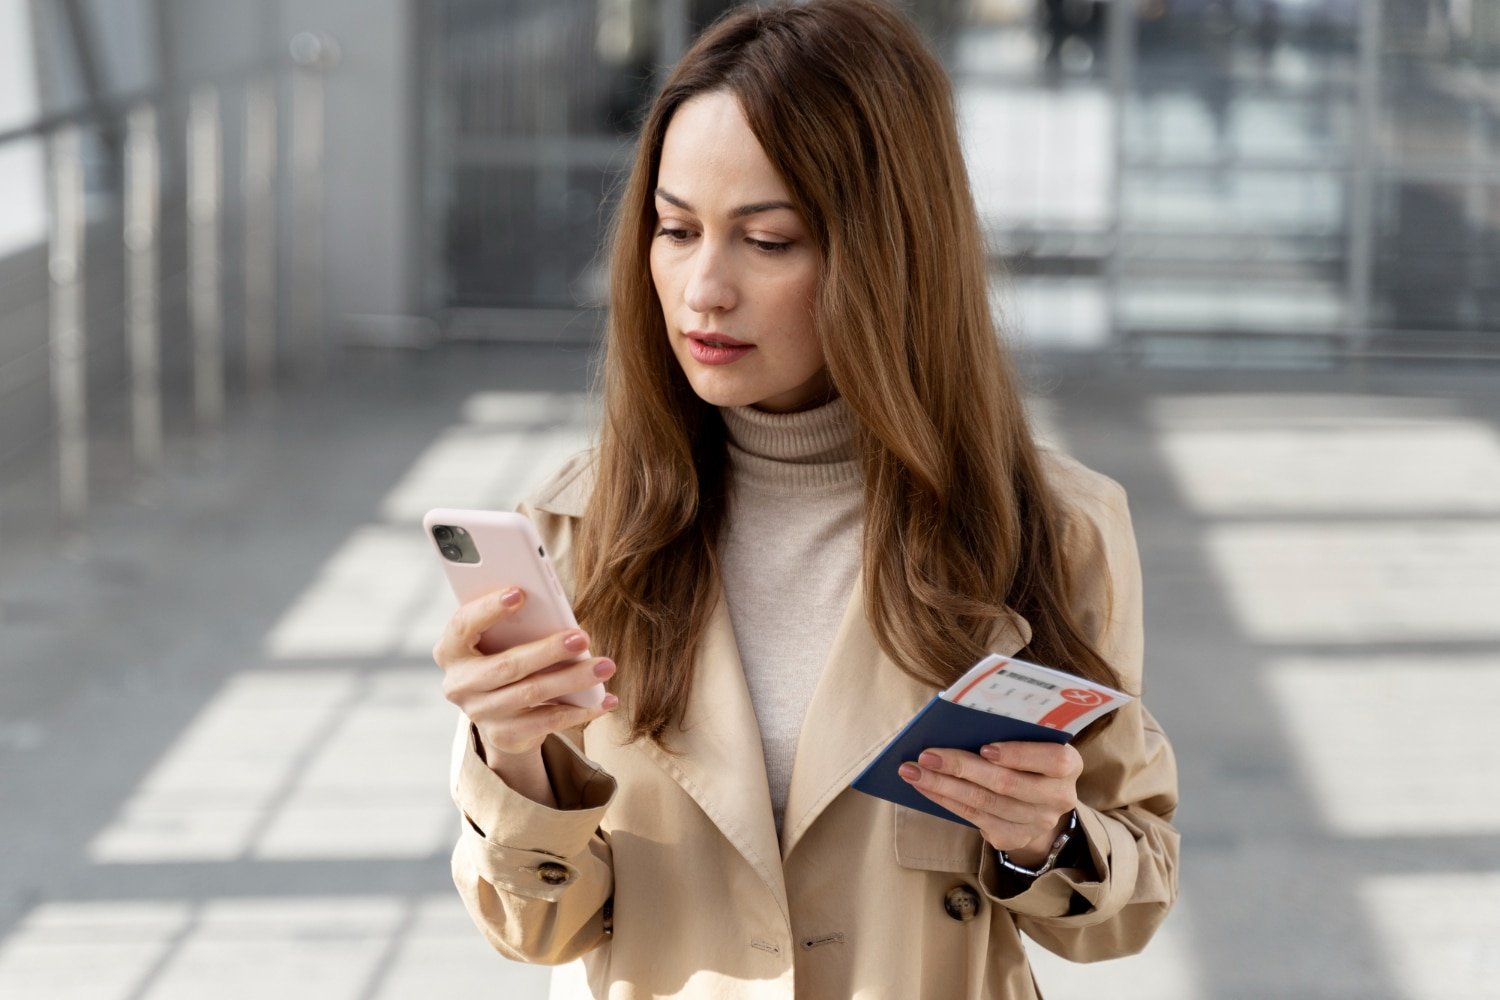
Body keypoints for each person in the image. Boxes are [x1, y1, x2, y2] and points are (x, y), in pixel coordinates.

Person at [432, 1, 1178, 997]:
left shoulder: (1050, 528)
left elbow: (1128, 906)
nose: (702, 289)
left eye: (768, 241)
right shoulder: (581, 529)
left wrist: (1047, 834)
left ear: (888, 254)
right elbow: (541, 929)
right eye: (674, 229)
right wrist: (512, 758)